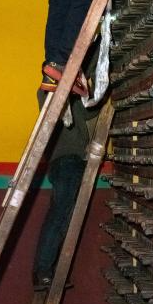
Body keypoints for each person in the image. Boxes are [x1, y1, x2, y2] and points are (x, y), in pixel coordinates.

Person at [32, 95, 99, 290]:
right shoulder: (50, 92)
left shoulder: (73, 99)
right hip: (66, 160)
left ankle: (44, 271)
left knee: (61, 216)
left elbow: (90, 109)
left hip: (68, 161)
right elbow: (86, 107)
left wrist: (101, 87)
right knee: (59, 216)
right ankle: (43, 272)